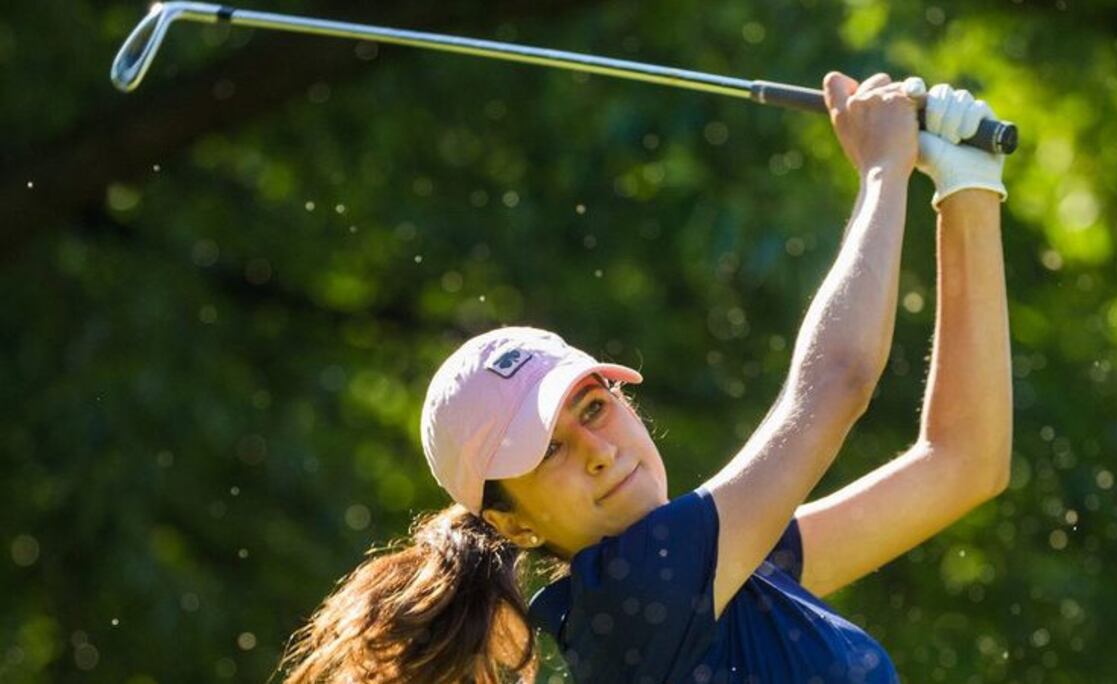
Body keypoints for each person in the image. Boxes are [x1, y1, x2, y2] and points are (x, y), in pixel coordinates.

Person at [277, 72, 1013, 683]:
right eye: (548, 452)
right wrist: (883, 169)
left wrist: (967, 190)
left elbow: (963, 464)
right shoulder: (631, 599)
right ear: (512, 523)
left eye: (592, 408)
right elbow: (838, 384)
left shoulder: (724, 574)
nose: (596, 449)